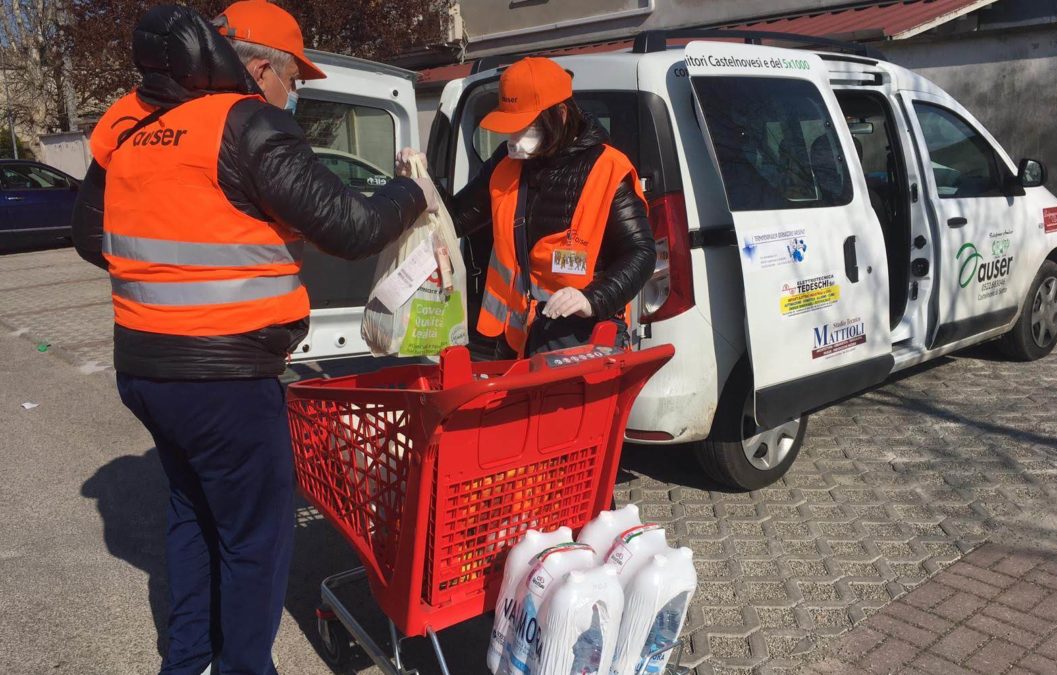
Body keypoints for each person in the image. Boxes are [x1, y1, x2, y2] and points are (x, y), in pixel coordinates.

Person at [71, 3, 437, 674]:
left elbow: (92, 236)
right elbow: (351, 227)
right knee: (253, 539)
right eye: (294, 80)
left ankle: (187, 660)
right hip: (227, 380)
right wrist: (410, 195)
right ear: (261, 67)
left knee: (191, 511)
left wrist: (182, 263)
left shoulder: (128, 123)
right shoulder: (243, 123)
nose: (293, 95)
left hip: (147, 368)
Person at [401, 57, 656, 358]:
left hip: (581, 340)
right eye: (509, 128)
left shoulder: (608, 169)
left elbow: (640, 252)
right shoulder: (506, 164)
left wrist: (593, 299)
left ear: (560, 115)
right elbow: (456, 219)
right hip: (514, 340)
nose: (514, 139)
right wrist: (422, 179)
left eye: (525, 127)